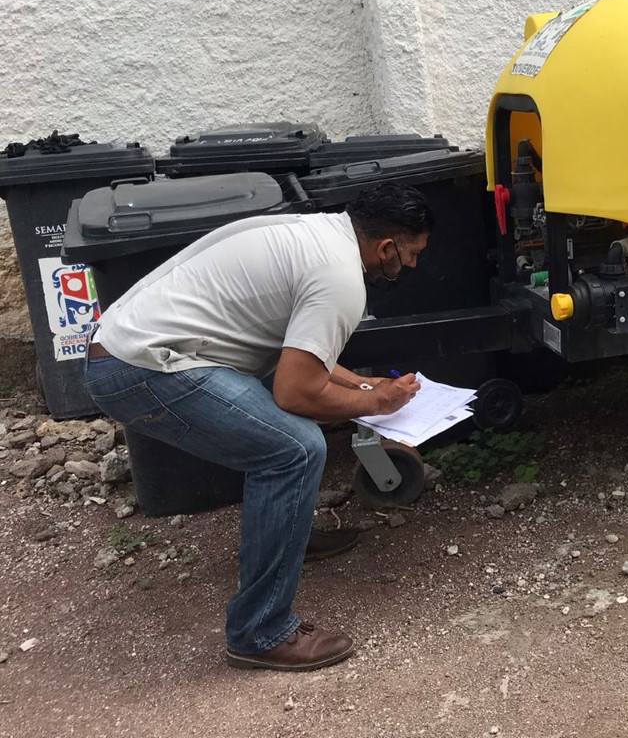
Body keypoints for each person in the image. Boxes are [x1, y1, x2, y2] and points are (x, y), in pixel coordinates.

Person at [81, 182, 432, 672]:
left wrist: (360, 383)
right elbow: (296, 392)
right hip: (139, 369)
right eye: (412, 254)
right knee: (294, 448)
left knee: (284, 436)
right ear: (386, 247)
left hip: (130, 347)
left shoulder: (317, 234)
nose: (410, 265)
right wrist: (376, 403)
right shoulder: (340, 278)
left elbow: (301, 351)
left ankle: (286, 536)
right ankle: (260, 631)